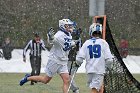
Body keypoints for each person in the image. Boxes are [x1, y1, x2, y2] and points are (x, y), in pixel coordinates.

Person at [20, 19, 76, 93]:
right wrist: (50, 37)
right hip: (55, 60)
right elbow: (51, 41)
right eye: (68, 26)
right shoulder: (59, 34)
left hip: (63, 61)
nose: (70, 27)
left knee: (67, 80)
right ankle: (28, 78)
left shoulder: (68, 34)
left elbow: (68, 43)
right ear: (63, 26)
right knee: (45, 80)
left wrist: (75, 42)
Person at [75, 23, 113, 93]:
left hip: (89, 71)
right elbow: (109, 59)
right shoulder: (103, 42)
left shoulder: (86, 43)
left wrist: (77, 63)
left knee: (100, 88)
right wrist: (109, 67)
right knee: (94, 89)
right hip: (98, 70)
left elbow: (79, 58)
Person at [67, 27, 82, 93]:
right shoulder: (71, 37)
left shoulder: (76, 39)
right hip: (70, 59)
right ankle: (74, 89)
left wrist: (78, 61)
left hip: (73, 60)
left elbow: (78, 50)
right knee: (68, 76)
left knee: (68, 76)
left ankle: (75, 89)